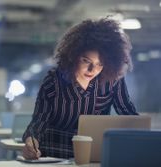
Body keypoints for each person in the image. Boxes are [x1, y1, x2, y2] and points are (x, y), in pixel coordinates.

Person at [22, 17, 139, 160]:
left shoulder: (112, 80)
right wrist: (31, 141)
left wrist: (143, 140)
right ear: (73, 56)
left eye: (100, 64)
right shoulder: (53, 81)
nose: (92, 69)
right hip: (54, 156)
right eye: (86, 61)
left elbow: (130, 115)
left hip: (93, 156)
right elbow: (39, 121)